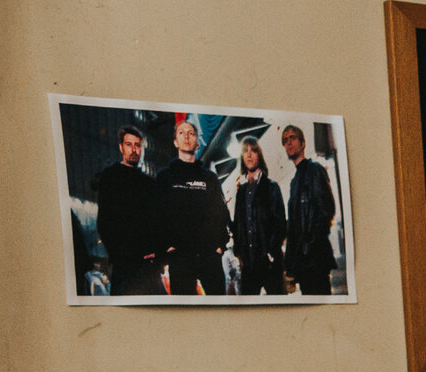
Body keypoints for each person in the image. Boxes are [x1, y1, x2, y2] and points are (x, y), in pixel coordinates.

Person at [155, 118, 228, 296]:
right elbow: (157, 215)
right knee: (185, 313)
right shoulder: (165, 177)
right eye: (181, 133)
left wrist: (220, 245)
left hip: (209, 255)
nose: (186, 137)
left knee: (219, 309)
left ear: (197, 142)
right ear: (175, 141)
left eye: (191, 133)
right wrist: (166, 247)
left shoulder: (209, 177)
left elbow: (221, 212)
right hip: (180, 256)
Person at [91, 124, 164, 295]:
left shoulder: (150, 183)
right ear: (121, 147)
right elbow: (104, 221)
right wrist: (118, 256)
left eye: (137, 145)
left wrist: (156, 254)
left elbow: (159, 222)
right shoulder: (110, 177)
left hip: (148, 265)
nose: (134, 150)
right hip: (124, 265)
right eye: (129, 145)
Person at [279, 123, 338, 294]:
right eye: (285, 140)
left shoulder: (315, 170)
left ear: (303, 143)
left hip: (315, 258)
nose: (288, 143)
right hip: (303, 262)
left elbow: (326, 210)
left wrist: (310, 245)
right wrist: (291, 264)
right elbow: (294, 227)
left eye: (292, 138)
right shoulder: (294, 182)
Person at [228, 135, 287, 296]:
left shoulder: (271, 187)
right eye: (245, 151)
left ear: (259, 155)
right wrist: (239, 253)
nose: (249, 154)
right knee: (249, 312)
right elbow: (239, 224)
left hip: (269, 263)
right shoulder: (241, 191)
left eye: (253, 150)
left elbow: (280, 223)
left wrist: (270, 252)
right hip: (248, 265)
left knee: (280, 309)